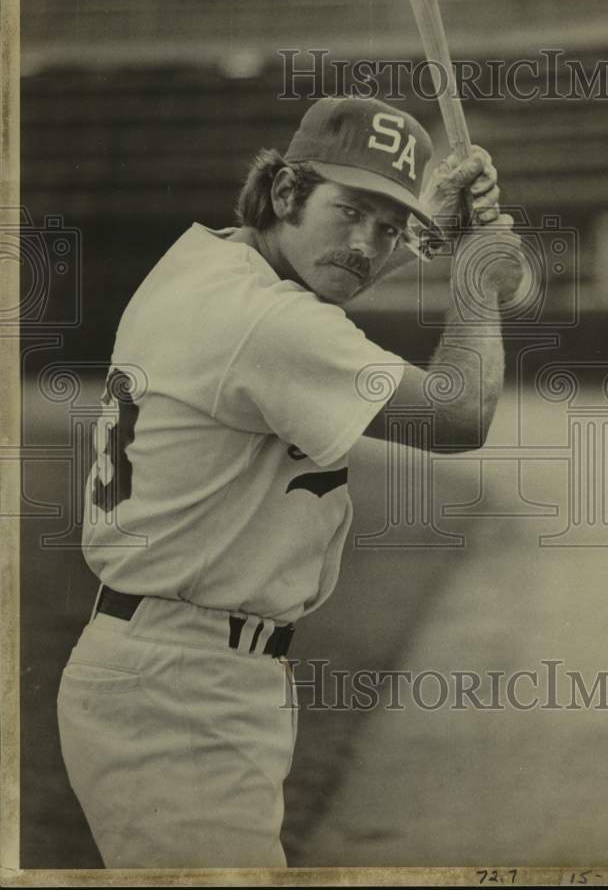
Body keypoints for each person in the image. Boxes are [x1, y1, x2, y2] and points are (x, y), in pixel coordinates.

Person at [56, 96, 525, 869]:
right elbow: (459, 415)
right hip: (180, 693)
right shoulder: (266, 323)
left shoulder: (207, 261)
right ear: (284, 193)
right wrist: (475, 277)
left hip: (169, 668)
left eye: (387, 223)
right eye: (351, 211)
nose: (369, 244)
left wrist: (431, 229)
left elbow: (322, 277)